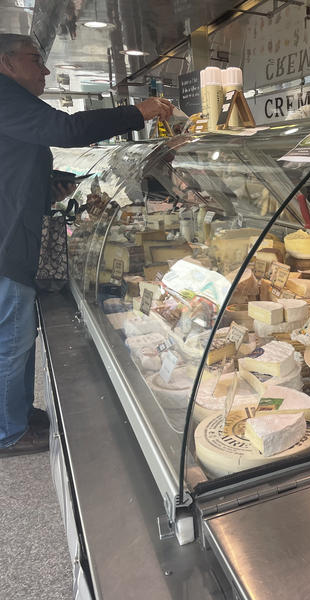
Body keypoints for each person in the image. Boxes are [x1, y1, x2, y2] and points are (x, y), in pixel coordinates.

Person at [0, 33, 174, 456]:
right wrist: (137, 111)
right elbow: (68, 128)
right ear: (4, 63)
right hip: (6, 247)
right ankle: (10, 432)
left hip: (12, 236)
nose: (44, 70)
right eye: (34, 60)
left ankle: (18, 415)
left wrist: (50, 186)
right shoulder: (4, 96)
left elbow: (16, 166)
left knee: (17, 336)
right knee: (13, 339)